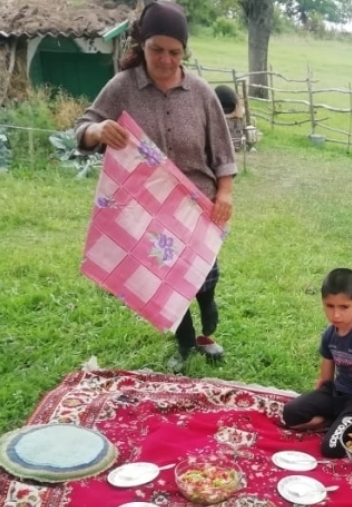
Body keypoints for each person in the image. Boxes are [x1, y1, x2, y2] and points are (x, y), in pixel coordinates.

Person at [74, 1, 237, 372]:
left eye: (174, 52)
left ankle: (206, 328)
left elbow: (223, 154)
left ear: (185, 51)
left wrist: (224, 193)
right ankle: (184, 343)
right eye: (156, 50)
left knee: (204, 278)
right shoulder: (122, 88)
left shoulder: (201, 94)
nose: (165, 60)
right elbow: (83, 128)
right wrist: (97, 131)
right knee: (165, 281)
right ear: (141, 45)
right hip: (146, 210)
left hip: (196, 207)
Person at [280, 268, 352, 458]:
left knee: (331, 448)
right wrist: (316, 400)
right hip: (337, 393)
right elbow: (325, 378)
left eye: (344, 307)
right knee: (290, 414)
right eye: (329, 306)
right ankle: (334, 420)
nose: (336, 315)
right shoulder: (330, 334)